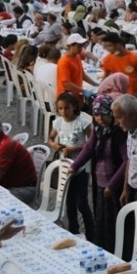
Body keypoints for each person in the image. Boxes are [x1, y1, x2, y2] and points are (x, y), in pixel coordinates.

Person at [70, 94, 127, 251]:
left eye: (103, 114)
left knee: (114, 223)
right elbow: (89, 148)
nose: (100, 118)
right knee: (100, 220)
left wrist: (112, 184)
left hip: (114, 186)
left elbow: (126, 161)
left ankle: (116, 251)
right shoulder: (98, 130)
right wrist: (75, 166)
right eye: (96, 115)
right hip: (99, 183)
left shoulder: (119, 133)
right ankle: (101, 249)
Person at [48, 91, 95, 240]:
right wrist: (55, 145)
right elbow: (50, 138)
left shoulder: (83, 123)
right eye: (60, 109)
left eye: (66, 108)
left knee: (82, 201)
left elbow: (92, 143)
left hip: (81, 166)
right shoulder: (58, 122)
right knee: (69, 200)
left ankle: (91, 232)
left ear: (74, 107)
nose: (64, 112)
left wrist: (74, 149)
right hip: (65, 166)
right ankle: (74, 231)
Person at [101, 33, 137, 97]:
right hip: (118, 94)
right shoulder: (107, 59)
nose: (107, 49)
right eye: (106, 46)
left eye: (109, 46)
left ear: (118, 44)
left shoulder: (134, 57)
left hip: (134, 94)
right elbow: (105, 76)